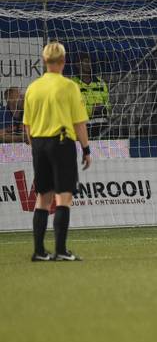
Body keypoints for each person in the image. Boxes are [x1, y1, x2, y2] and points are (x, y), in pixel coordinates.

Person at [23, 41, 91, 261]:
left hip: (39, 144)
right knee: (64, 198)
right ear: (63, 61)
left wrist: (36, 148)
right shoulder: (68, 86)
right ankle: (61, 250)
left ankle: (39, 251)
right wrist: (86, 149)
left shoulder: (33, 88)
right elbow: (79, 123)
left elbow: (27, 126)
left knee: (42, 198)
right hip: (61, 143)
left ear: (44, 61)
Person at [72, 54, 110, 137]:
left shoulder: (100, 82)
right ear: (77, 64)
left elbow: (108, 103)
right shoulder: (72, 84)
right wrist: (92, 109)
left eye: (89, 62)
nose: (89, 64)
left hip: (102, 128)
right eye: (86, 62)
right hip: (81, 128)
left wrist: (103, 107)